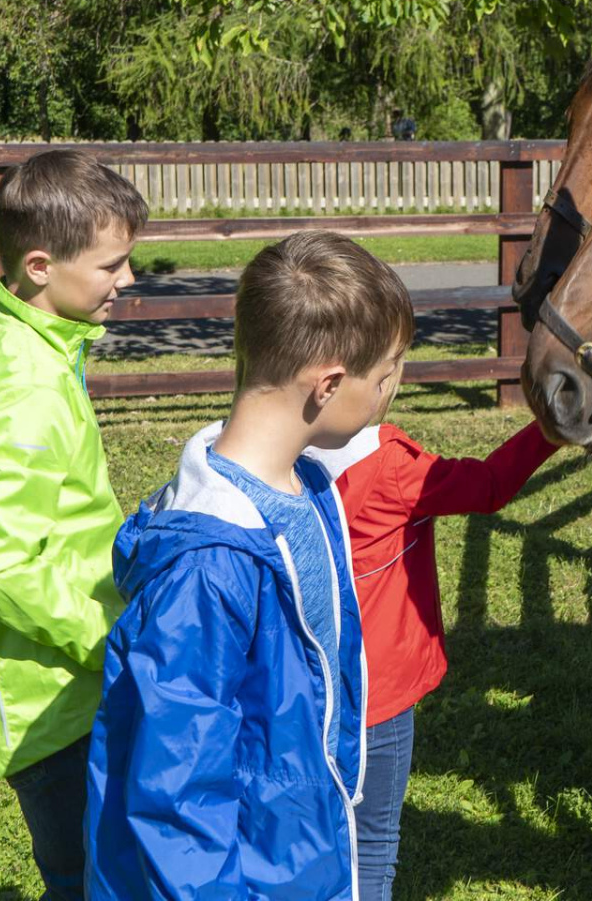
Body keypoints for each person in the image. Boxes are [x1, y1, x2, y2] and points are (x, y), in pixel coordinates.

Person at [86, 230, 407, 901]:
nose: (389, 397)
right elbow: (176, 792)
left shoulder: (307, 488)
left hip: (294, 852)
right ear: (329, 384)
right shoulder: (209, 568)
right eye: (386, 378)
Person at [0, 150, 148, 901]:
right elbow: (0, 569)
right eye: (112, 265)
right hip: (48, 702)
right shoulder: (24, 387)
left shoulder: (46, 354)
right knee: (85, 875)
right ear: (38, 266)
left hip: (72, 680)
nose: (128, 280)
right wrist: (110, 640)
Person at [309, 372, 560, 900]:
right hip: (378, 698)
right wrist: (552, 429)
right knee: (373, 842)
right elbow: (489, 485)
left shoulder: (279, 457)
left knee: (317, 833)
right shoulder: (390, 468)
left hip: (306, 692)